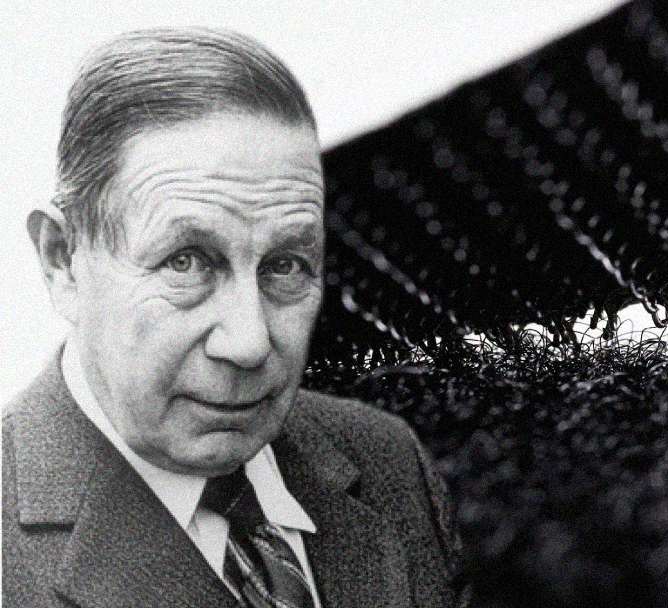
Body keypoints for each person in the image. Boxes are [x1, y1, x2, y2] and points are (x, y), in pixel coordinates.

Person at [2, 27, 465, 608]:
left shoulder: (388, 463)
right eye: (187, 261)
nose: (249, 342)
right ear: (62, 260)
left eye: (286, 265)